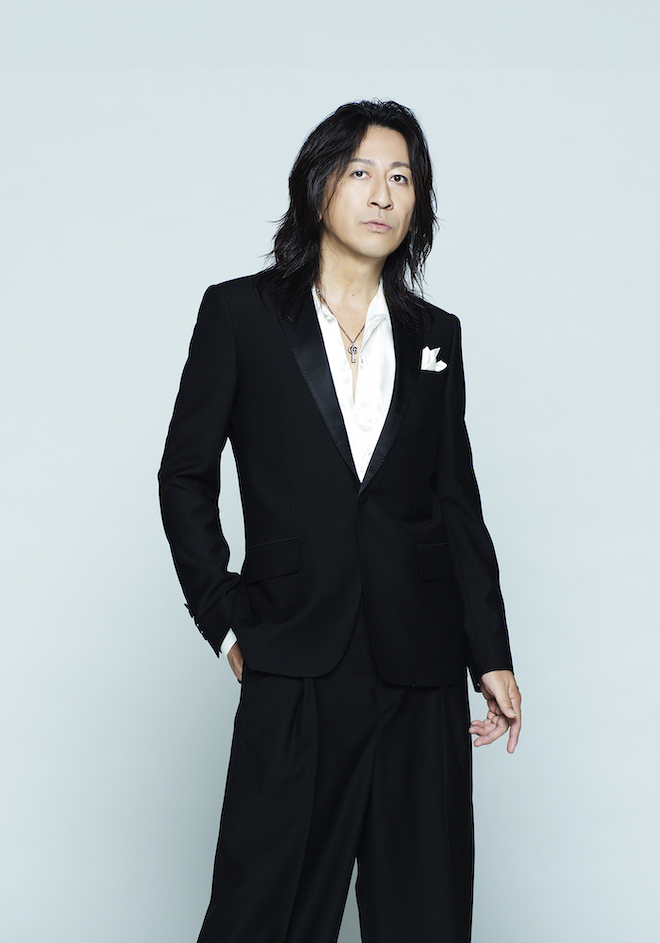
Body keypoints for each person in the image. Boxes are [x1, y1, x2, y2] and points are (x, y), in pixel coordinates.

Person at [158, 99, 521, 943]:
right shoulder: (240, 315)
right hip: (294, 653)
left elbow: (455, 501)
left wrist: (491, 653)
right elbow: (183, 477)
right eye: (361, 172)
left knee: (424, 915)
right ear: (319, 185)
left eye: (402, 177)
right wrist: (224, 619)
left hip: (418, 666)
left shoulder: (436, 336)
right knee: (265, 912)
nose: (383, 194)